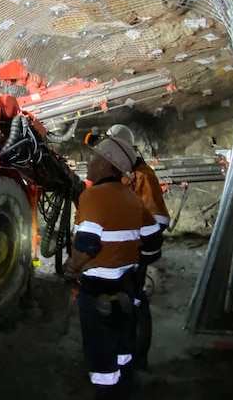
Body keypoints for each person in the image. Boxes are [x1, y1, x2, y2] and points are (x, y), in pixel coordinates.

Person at [64, 137, 160, 400]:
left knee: (100, 355)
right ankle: (125, 389)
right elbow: (153, 239)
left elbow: (87, 244)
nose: (89, 162)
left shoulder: (92, 195)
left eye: (94, 158)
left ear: (106, 165)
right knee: (122, 347)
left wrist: (73, 267)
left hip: (96, 289)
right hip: (125, 286)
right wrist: (135, 262)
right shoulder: (131, 197)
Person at [106, 124, 167, 370]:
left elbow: (157, 220)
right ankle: (120, 353)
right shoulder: (119, 175)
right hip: (119, 256)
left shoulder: (143, 176)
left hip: (136, 254)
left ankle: (136, 357)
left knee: (134, 302)